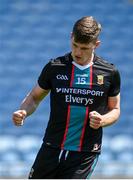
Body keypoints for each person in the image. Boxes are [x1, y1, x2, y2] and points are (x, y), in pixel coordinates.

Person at [12, 16, 121, 179]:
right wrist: (23, 112)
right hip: (52, 146)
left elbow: (115, 109)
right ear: (71, 36)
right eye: (75, 45)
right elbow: (34, 98)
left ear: (96, 45)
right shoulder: (55, 67)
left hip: (85, 153)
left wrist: (103, 120)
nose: (77, 52)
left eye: (84, 48)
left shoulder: (109, 73)